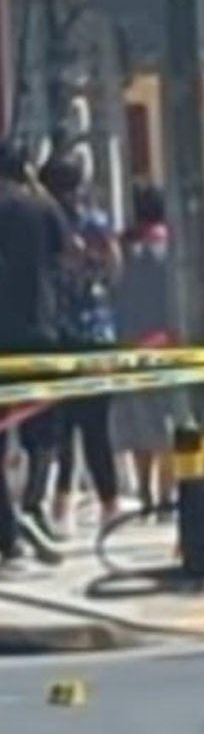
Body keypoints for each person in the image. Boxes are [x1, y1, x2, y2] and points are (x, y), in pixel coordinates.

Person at [25, 153, 120, 534]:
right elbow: (115, 266)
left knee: (62, 425)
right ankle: (108, 504)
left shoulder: (50, 221)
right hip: (97, 333)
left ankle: (63, 503)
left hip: (61, 334)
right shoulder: (93, 221)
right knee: (96, 427)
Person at [0, 142, 68, 566]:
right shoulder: (41, 208)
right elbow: (68, 253)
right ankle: (34, 506)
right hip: (40, 329)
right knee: (44, 431)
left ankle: (9, 530)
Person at [111, 185, 180, 510]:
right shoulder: (174, 250)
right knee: (168, 420)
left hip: (130, 345)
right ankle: (167, 493)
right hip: (168, 345)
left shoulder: (122, 250)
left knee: (138, 421)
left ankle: (144, 491)